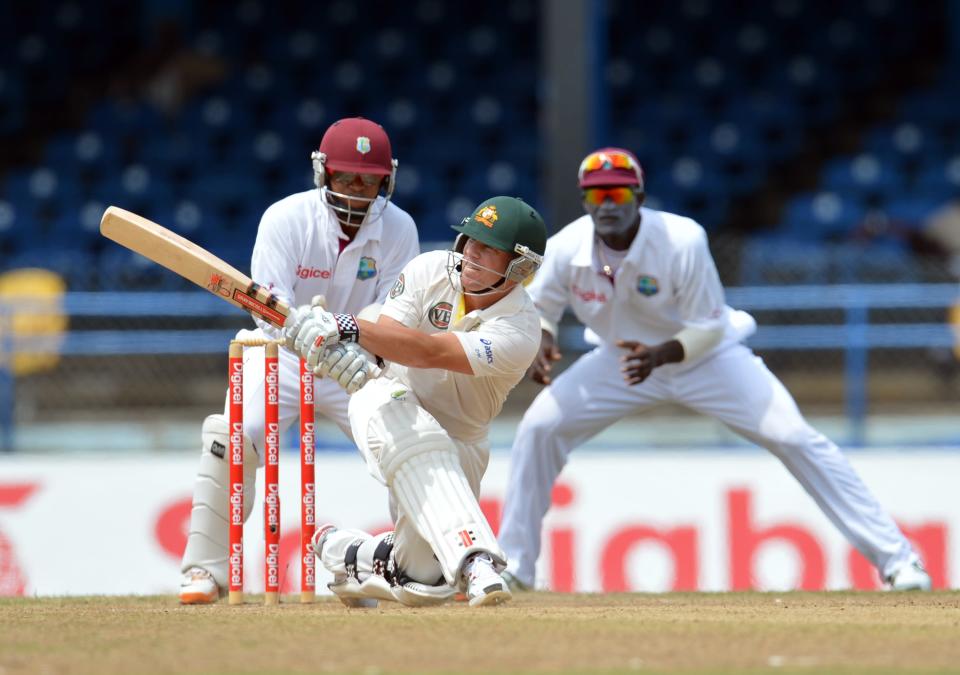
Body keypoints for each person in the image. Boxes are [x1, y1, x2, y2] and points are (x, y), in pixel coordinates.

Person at [496, 147, 933, 593]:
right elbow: (541, 308)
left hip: (706, 357)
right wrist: (542, 337)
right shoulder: (568, 246)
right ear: (585, 200)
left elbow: (708, 324)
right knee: (539, 428)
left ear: (639, 197)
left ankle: (900, 562)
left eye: (618, 193)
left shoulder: (681, 239)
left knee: (796, 437)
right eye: (597, 194)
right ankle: (516, 565)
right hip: (618, 360)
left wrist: (661, 355)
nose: (607, 203)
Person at [179, 117, 420, 604]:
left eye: (367, 179)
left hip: (358, 363)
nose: (356, 189)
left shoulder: (399, 229)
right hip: (282, 357)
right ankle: (205, 571)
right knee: (231, 437)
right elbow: (267, 308)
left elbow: (397, 311)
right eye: (347, 176)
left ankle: (420, 566)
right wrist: (305, 337)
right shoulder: (286, 219)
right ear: (324, 174)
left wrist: (353, 347)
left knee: (411, 447)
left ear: (385, 180)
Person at [283, 196, 548, 607]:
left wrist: (346, 326)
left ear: (520, 268)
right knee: (419, 431)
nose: (472, 255)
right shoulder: (429, 268)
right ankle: (476, 559)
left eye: (489, 250)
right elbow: (387, 339)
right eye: (471, 241)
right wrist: (343, 350)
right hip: (386, 401)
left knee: (421, 582)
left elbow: (431, 352)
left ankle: (343, 550)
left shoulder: (521, 330)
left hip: (460, 441)